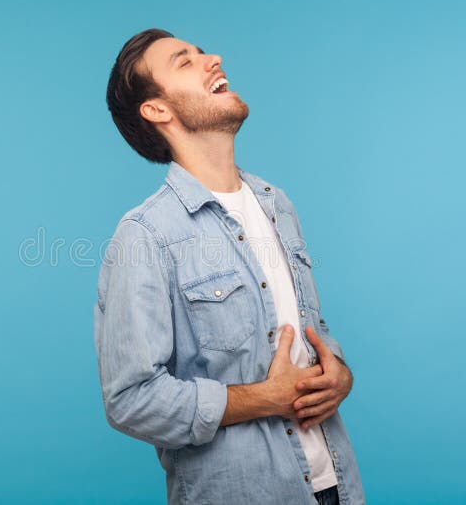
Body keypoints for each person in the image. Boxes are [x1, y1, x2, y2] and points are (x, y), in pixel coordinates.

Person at [94, 28, 364, 505]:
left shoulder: (276, 204)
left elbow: (307, 331)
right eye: (184, 61)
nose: (212, 58)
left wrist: (338, 373)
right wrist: (264, 398)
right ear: (158, 110)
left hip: (334, 488)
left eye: (202, 52)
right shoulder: (146, 234)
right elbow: (130, 400)